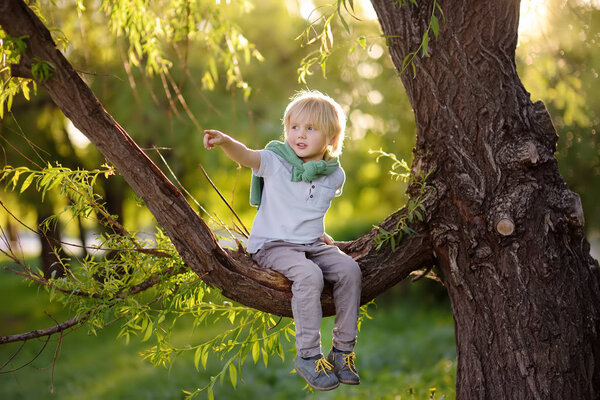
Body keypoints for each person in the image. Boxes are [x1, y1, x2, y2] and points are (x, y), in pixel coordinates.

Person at [203, 90, 361, 391]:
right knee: (309, 275)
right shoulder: (276, 160)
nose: (299, 135)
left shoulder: (334, 175)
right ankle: (308, 355)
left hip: (312, 243)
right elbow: (248, 155)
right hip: (274, 245)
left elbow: (308, 206)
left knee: (350, 271)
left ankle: (342, 351)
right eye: (294, 127)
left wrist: (322, 235)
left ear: (330, 138)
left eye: (311, 128)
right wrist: (225, 142)